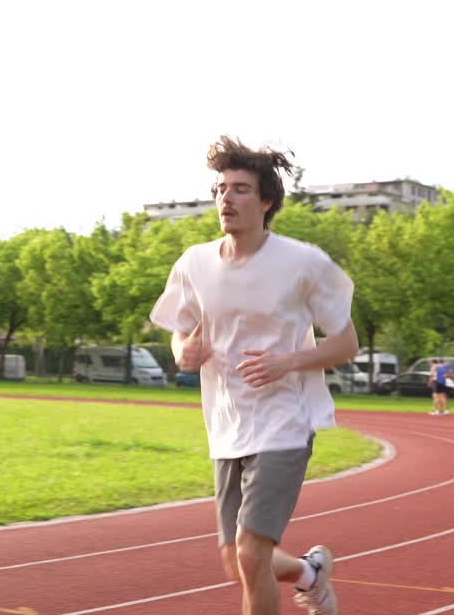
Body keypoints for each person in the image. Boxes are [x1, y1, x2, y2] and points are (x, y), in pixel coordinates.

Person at [150, 135, 358, 615]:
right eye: (221, 188)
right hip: (226, 425)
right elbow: (178, 335)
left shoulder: (302, 262)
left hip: (285, 421)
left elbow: (346, 344)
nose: (227, 198)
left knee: (249, 552)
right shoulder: (194, 263)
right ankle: (310, 573)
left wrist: (288, 360)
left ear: (266, 201)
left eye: (240, 189)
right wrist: (185, 350)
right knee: (237, 561)